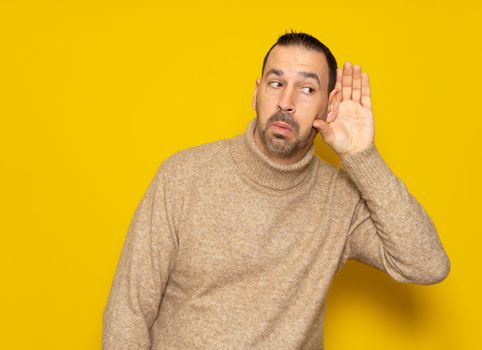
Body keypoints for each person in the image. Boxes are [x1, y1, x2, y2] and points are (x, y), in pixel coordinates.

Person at [102, 31, 450, 350]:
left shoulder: (340, 199)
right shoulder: (182, 176)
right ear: (256, 91)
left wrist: (362, 156)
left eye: (307, 89)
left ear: (329, 106)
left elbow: (426, 265)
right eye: (276, 82)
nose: (286, 101)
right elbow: (128, 310)